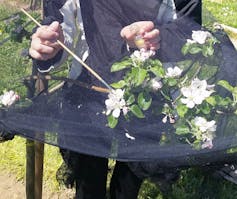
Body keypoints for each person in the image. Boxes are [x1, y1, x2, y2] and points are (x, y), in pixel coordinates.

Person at [29, 0, 202, 198]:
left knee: (128, 182)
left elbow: (190, 30)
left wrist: (157, 38)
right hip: (89, 93)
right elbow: (62, 18)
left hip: (147, 99)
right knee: (88, 183)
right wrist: (50, 43)